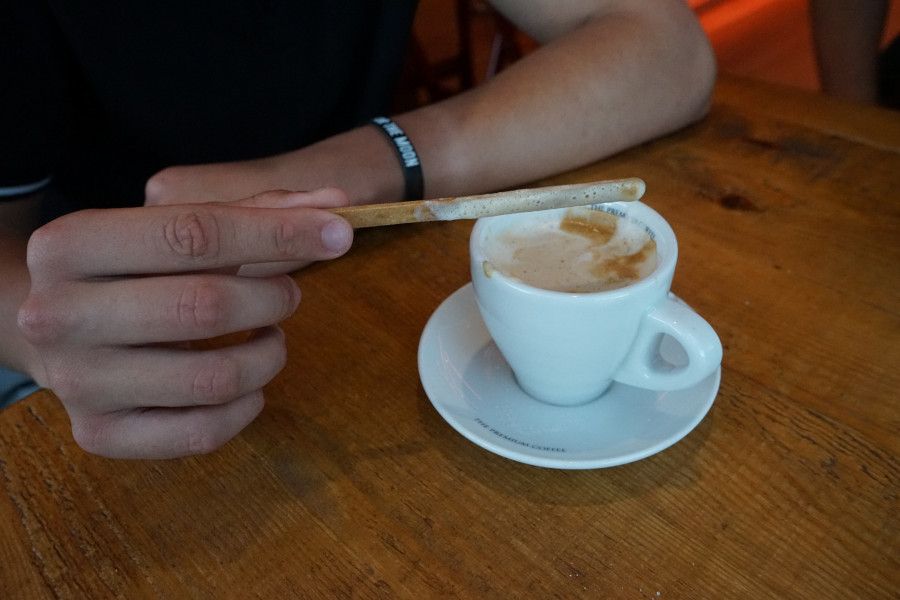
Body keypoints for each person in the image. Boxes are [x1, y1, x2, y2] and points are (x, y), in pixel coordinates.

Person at [0, 1, 717, 459]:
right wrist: (45, 330)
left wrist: (363, 166)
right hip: (96, 328)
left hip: (354, 284)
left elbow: (667, 44)